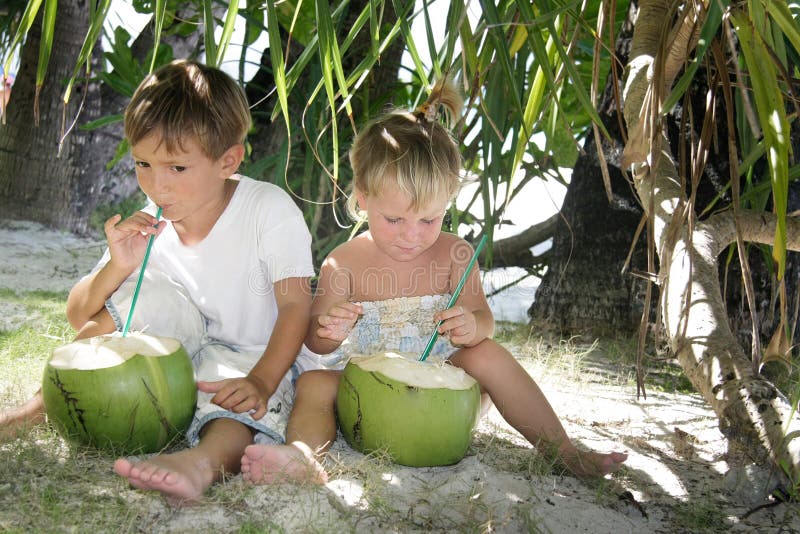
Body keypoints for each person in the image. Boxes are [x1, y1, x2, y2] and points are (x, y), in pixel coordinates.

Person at [238, 79, 628, 485]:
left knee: (487, 354)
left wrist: (473, 326)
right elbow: (316, 343)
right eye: (395, 220)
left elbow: (485, 320)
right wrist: (330, 329)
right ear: (364, 197)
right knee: (317, 382)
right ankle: (303, 456)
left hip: (447, 388)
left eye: (429, 219)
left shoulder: (455, 254)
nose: (413, 235)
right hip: (369, 391)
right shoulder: (346, 262)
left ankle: (563, 451)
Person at [0, 60, 323, 502]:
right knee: (147, 295)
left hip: (258, 355)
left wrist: (263, 381)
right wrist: (117, 265)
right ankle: (37, 410)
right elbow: (79, 313)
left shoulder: (267, 209)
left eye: (177, 169)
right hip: (175, 360)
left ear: (228, 161)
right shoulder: (152, 220)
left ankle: (199, 465)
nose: (155, 184)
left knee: (231, 398)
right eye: (143, 163)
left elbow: (295, 307)